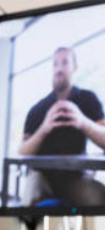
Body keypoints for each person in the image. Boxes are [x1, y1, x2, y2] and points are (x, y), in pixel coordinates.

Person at [18, 46, 105, 206]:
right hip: (40, 176)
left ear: (75, 67)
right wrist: (44, 128)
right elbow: (22, 151)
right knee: (27, 206)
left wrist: (83, 122)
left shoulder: (88, 99)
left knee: (99, 198)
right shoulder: (37, 109)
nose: (59, 68)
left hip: (75, 178)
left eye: (65, 62)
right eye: (55, 64)